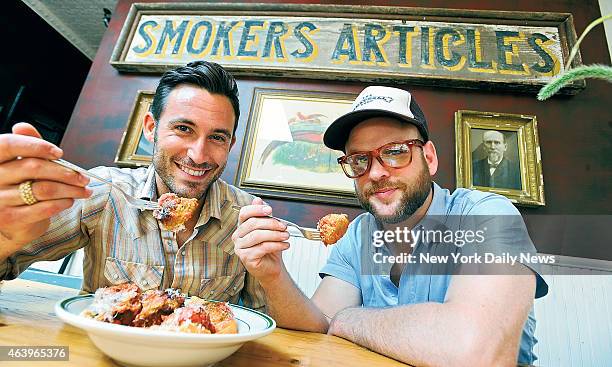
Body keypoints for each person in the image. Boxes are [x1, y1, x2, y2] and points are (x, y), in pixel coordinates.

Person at [233, 86, 548, 365]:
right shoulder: (358, 234)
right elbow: (318, 323)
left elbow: (475, 353)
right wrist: (272, 274)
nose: (375, 173)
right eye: (359, 160)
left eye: (395, 152)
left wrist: (347, 321)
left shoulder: (486, 215)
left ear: (430, 157)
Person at [0, 61, 265, 311]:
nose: (198, 155)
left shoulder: (245, 215)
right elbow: (6, 264)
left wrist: (274, 272)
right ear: (151, 128)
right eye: (184, 128)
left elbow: (276, 320)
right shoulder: (103, 192)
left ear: (229, 145)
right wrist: (5, 237)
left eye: (217, 137)